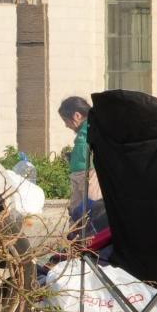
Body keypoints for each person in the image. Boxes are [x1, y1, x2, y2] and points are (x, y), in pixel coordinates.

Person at [60, 96, 107, 235]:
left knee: (92, 209)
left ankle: (92, 239)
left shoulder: (92, 126)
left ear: (77, 115)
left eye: (66, 121)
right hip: (78, 175)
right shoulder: (82, 132)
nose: (66, 125)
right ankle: (76, 239)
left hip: (89, 175)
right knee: (76, 210)